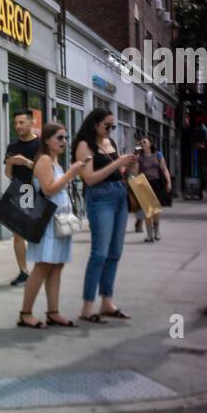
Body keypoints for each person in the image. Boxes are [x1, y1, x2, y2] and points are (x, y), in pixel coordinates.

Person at [17, 122, 86, 328]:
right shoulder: (45, 160)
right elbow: (48, 189)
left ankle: (53, 312)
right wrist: (71, 173)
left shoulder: (55, 162)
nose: (64, 141)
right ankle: (25, 313)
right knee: (43, 266)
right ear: (47, 140)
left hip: (60, 222)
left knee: (56, 266)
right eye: (60, 137)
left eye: (65, 137)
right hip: (47, 222)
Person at [72, 108, 137, 323]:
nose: (110, 129)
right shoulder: (84, 146)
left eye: (113, 126)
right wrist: (117, 163)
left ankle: (107, 301)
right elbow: (89, 178)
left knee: (115, 252)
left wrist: (126, 167)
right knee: (99, 252)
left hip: (119, 195)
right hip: (100, 199)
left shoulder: (111, 144)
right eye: (107, 125)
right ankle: (87, 306)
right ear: (95, 124)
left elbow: (115, 172)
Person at [3, 109, 41, 286]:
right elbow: (8, 174)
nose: (18, 126)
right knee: (18, 234)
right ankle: (23, 271)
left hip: (39, 191)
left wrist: (26, 162)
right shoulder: (12, 147)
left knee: (38, 233)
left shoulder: (41, 145)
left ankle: (41, 270)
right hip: (19, 191)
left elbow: (46, 171)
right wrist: (10, 163)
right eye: (16, 123)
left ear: (31, 122)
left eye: (21, 122)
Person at [137, 136, 172, 241]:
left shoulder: (158, 155)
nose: (143, 144)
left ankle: (156, 232)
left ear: (150, 143)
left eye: (145, 142)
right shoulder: (139, 157)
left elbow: (164, 169)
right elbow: (136, 172)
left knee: (155, 211)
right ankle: (149, 235)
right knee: (148, 211)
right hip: (144, 184)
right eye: (141, 143)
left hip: (157, 184)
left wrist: (169, 182)